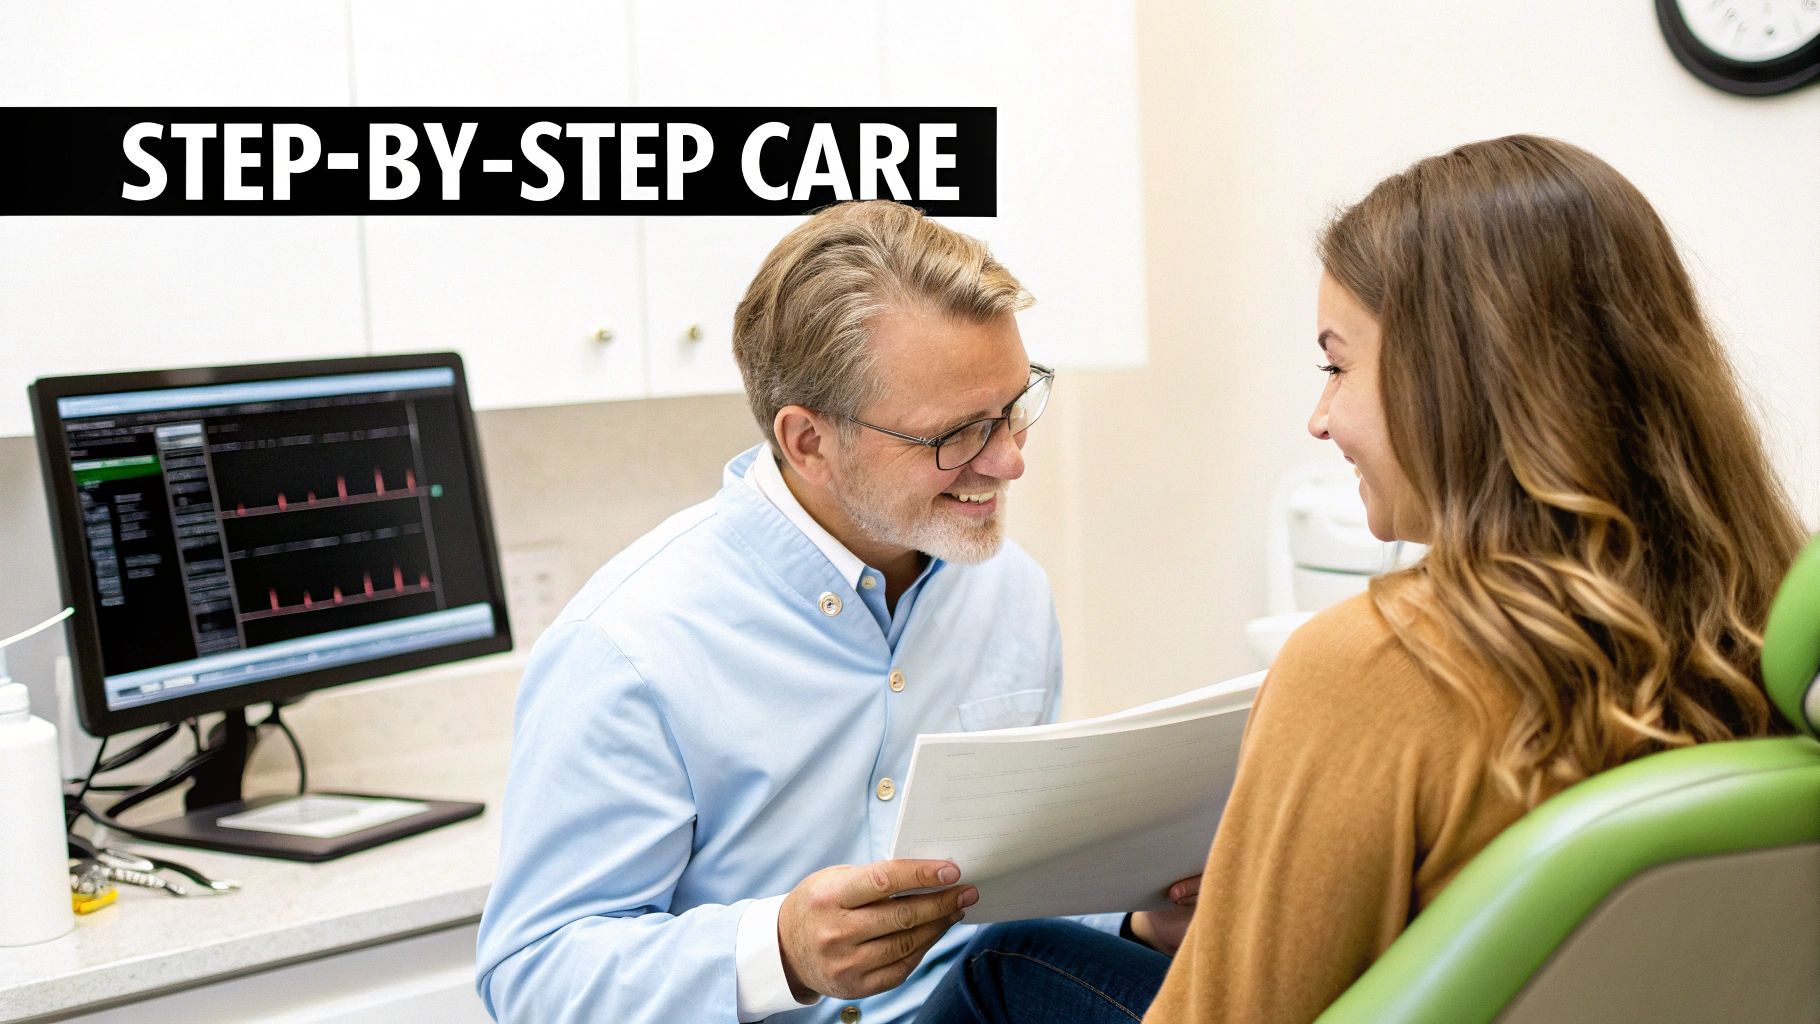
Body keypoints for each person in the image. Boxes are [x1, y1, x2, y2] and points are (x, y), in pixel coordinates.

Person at [914, 134, 1806, 1024]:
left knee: (1004, 962)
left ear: (1459, 377)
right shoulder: (1766, 615)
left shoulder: (1381, 668)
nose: (1320, 417)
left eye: (1337, 366)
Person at [474, 200, 1196, 1024]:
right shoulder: (628, 648)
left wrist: (1135, 923)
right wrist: (778, 952)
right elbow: (531, 977)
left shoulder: (1008, 591)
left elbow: (1009, 891)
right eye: (958, 433)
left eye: (1014, 407)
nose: (1009, 461)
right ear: (808, 442)